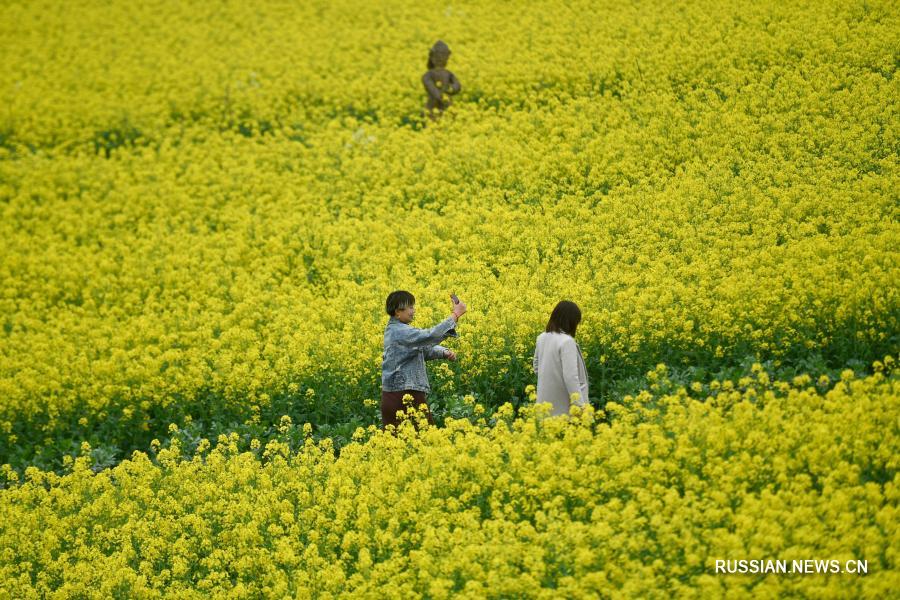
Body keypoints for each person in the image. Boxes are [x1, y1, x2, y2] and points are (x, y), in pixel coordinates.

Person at [381, 290, 467, 427]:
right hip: (402, 395)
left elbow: (420, 349)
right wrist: (455, 315)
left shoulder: (398, 330)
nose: (413, 310)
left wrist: (443, 352)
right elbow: (428, 336)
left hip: (402, 394)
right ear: (397, 312)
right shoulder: (399, 331)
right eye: (410, 307)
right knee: (425, 440)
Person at [532, 301, 589, 416]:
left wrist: (550, 381)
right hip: (564, 409)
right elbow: (571, 377)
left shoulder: (541, 338)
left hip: (544, 406)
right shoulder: (567, 341)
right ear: (570, 321)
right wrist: (581, 407)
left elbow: (536, 367)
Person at [422, 40, 461, 121]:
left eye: (443, 56)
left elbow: (457, 85)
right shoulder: (428, 74)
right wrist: (439, 96)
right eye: (437, 56)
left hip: (448, 106)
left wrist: (451, 88)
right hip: (433, 105)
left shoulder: (448, 73)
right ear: (432, 57)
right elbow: (430, 86)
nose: (440, 58)